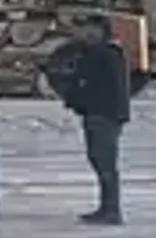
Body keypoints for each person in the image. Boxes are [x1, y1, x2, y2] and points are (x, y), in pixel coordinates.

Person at [46, 18, 131, 225]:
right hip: (103, 113)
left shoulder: (102, 56)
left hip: (103, 114)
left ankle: (111, 209)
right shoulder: (104, 54)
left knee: (104, 161)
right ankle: (108, 207)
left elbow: (89, 84)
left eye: (86, 30)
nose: (81, 34)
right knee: (100, 160)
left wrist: (74, 97)